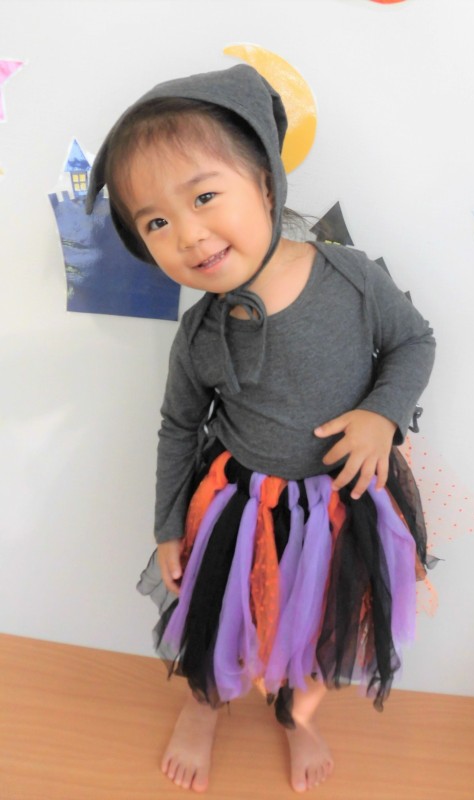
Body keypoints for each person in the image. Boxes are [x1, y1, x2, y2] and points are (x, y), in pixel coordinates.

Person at [86, 64, 436, 794]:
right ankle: (204, 708)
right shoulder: (200, 335)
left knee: (320, 626)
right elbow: (178, 427)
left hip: (344, 506)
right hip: (243, 512)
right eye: (156, 222)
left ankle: (296, 715)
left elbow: (414, 341)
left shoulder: (351, 278)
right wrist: (167, 526)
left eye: (204, 196)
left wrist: (382, 413)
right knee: (218, 621)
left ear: (267, 185)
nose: (189, 234)